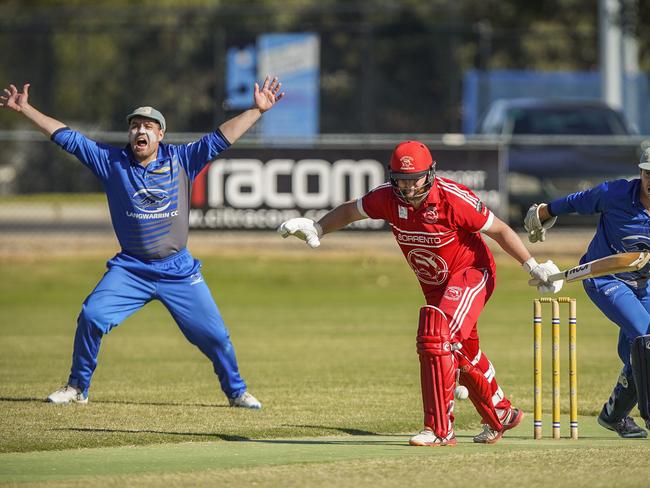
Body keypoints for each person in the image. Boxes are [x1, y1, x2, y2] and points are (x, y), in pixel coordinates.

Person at [0, 77, 284, 409]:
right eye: (135, 126)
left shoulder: (181, 160)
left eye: (148, 126)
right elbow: (68, 138)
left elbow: (221, 137)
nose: (140, 131)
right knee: (91, 315)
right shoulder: (112, 162)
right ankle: (78, 387)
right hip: (131, 269)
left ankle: (236, 392)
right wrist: (26, 109)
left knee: (216, 337)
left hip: (177, 269)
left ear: (160, 135)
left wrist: (256, 110)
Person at [279, 140, 562, 445]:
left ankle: (440, 430)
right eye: (402, 180)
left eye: (415, 180)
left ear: (430, 174)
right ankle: (501, 413)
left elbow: (500, 230)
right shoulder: (386, 198)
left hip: (472, 275)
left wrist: (532, 267)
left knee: (436, 337)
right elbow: (351, 210)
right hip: (437, 289)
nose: (410, 189)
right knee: (464, 352)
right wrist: (318, 228)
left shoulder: (452, 199)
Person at [524, 149, 650, 439]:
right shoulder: (615, 193)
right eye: (647, 173)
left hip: (644, 283)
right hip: (604, 279)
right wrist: (544, 212)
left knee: (637, 356)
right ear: (640, 173)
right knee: (647, 340)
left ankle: (613, 416)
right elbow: (576, 201)